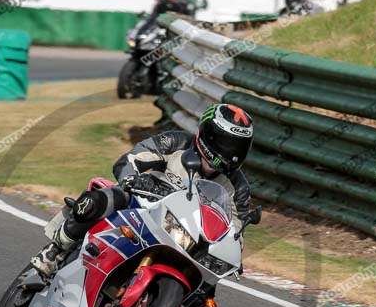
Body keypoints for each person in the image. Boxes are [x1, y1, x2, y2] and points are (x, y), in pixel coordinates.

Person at [31, 103, 254, 278]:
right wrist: (133, 178)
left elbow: (235, 231)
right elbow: (133, 157)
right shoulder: (176, 142)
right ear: (208, 135)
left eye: (237, 148)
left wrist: (233, 254)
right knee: (109, 197)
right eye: (226, 144)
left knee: (206, 286)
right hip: (142, 207)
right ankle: (57, 249)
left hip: (185, 235)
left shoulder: (238, 186)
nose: (231, 154)